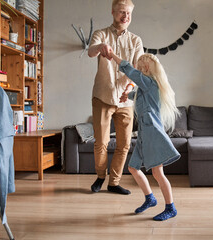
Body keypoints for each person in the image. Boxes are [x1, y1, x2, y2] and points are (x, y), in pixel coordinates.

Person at [110, 51, 181, 221]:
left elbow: (130, 71)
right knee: (133, 168)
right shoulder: (145, 87)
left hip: (153, 134)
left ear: (147, 67)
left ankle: (171, 208)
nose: (138, 68)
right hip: (144, 133)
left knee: (158, 173)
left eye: (141, 65)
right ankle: (150, 198)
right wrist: (128, 95)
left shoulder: (150, 83)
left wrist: (112, 54)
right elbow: (136, 94)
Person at [88, 0, 144, 195]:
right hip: (102, 95)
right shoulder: (101, 34)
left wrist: (128, 89)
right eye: (122, 12)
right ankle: (100, 177)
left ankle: (114, 182)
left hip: (126, 99)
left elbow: (137, 70)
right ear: (113, 12)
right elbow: (90, 52)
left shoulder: (136, 41)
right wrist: (100, 47)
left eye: (128, 13)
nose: (125, 17)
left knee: (124, 144)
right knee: (101, 142)